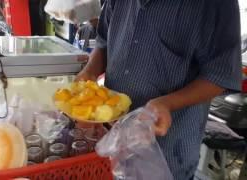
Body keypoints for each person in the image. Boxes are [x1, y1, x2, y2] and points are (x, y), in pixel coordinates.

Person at [76, 0, 242, 179]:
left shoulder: (214, 5)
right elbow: (104, 42)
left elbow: (220, 75)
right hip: (112, 140)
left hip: (167, 152)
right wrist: (89, 72)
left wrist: (168, 104)